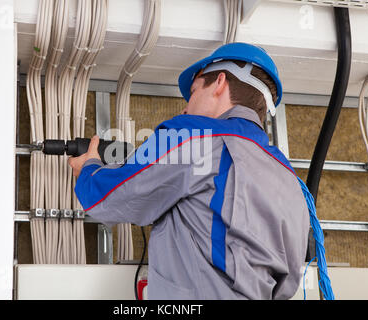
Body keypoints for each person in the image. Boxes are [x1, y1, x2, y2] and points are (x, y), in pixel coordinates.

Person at [68, 42, 310, 299]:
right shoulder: (289, 175)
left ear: (219, 83)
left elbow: (108, 197)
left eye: (193, 92)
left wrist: (88, 167)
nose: (185, 108)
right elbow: (289, 277)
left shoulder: (192, 135)